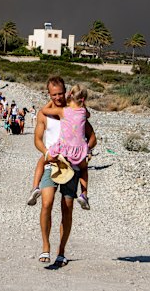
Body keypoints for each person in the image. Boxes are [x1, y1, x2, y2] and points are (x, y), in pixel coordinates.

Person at [30, 76, 96, 267]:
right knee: (46, 203)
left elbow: (92, 137)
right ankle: (45, 246)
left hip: (72, 167)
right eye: (54, 94)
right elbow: (37, 140)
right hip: (53, 163)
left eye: (60, 93)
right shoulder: (45, 114)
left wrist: (86, 151)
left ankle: (61, 251)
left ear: (66, 92)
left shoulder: (74, 110)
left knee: (67, 209)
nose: (58, 97)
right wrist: (46, 153)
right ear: (48, 94)